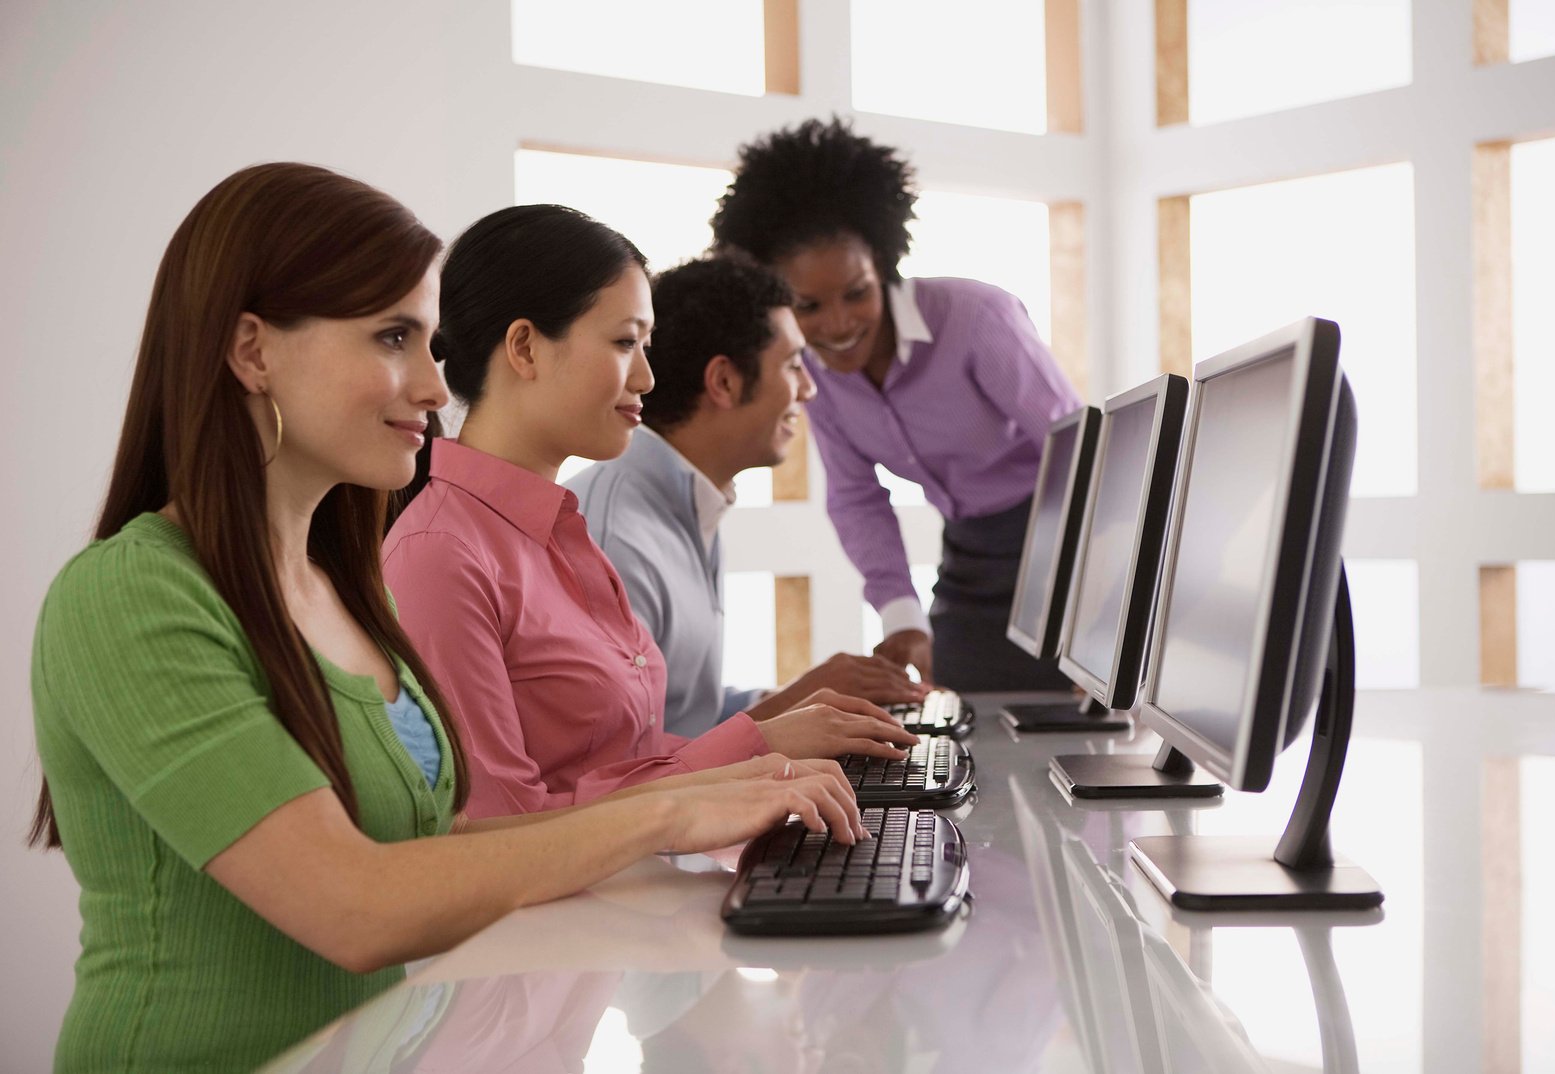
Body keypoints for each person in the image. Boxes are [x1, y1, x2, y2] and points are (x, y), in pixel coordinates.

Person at [27, 163, 864, 1074]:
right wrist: (661, 817)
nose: (435, 386)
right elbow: (354, 904)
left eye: (429, 341)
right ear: (252, 351)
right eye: (393, 337)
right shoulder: (135, 595)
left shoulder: (333, 587)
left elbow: (438, 846)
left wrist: (715, 790)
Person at [383, 205, 918, 819]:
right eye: (623, 342)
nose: (646, 376)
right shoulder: (440, 556)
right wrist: (761, 747)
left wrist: (786, 742)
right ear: (525, 348)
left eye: (646, 345)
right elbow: (500, 826)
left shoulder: (557, 530)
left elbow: (628, 754)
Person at [711, 117, 1083, 691]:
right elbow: (857, 497)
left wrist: (1098, 586)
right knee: (963, 715)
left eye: (856, 293)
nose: (837, 325)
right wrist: (901, 615)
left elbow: (1078, 447)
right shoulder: (812, 371)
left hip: (1064, 537)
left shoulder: (977, 318)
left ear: (883, 265)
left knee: (1076, 717)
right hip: (968, 555)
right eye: (809, 306)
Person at [567, 256, 927, 739]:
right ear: (725, 382)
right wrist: (801, 700)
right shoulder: (616, 542)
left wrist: (813, 694)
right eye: (794, 364)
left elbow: (687, 713)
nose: (810, 388)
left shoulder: (690, 503)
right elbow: (624, 770)